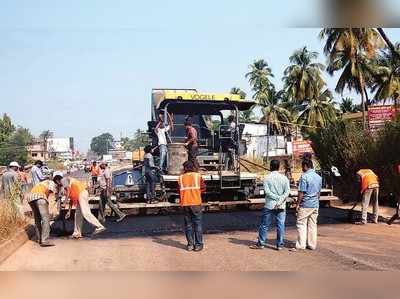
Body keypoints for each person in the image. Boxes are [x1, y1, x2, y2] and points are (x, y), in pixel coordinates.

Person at [250, 160, 290, 250]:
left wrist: (276, 198)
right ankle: (279, 245)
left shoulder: (267, 178)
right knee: (280, 225)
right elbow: (287, 192)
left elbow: (267, 192)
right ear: (279, 167)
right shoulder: (284, 178)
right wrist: (280, 199)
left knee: (264, 225)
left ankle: (261, 244)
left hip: (269, 205)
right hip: (281, 205)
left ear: (270, 167)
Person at [291, 159, 322, 251]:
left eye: (302, 166)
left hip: (305, 204)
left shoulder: (304, 177)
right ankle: (312, 245)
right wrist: (316, 201)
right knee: (312, 224)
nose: (302, 168)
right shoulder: (318, 177)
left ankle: (301, 245)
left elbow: (301, 192)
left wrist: (297, 204)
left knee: (301, 224)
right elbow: (318, 193)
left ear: (305, 166)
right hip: (315, 204)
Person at [28, 171, 64, 247]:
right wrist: (59, 193)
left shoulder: (44, 182)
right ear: (57, 180)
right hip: (40, 197)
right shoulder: (52, 183)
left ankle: (39, 238)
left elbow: (48, 194)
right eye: (61, 181)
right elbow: (55, 195)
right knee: (46, 219)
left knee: (37, 218)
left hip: (31, 197)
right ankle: (45, 240)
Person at [178, 161, 206, 252]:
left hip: (185, 203)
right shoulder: (197, 176)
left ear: (185, 168)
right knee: (197, 224)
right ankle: (198, 245)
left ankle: (190, 245)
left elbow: (179, 190)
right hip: (196, 203)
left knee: (188, 225)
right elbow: (203, 188)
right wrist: (196, 193)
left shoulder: (181, 178)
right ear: (193, 167)